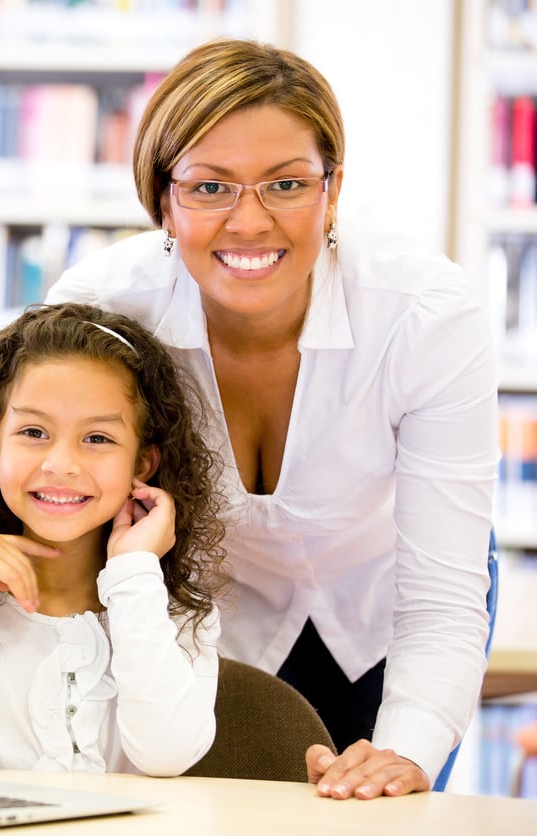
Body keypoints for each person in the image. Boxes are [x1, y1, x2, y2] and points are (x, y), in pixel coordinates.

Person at [45, 38, 500, 799]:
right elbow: (49, 503)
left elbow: (442, 596)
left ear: (333, 191)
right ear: (163, 198)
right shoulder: (104, 310)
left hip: (390, 602)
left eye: (286, 184)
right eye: (210, 187)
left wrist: (411, 748)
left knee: (382, 807)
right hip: (205, 613)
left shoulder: (424, 314)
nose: (249, 222)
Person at [0, 302, 227, 776]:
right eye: (33, 432)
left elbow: (166, 756)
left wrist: (133, 573)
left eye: (97, 439)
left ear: (143, 464)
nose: (61, 464)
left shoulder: (174, 613)